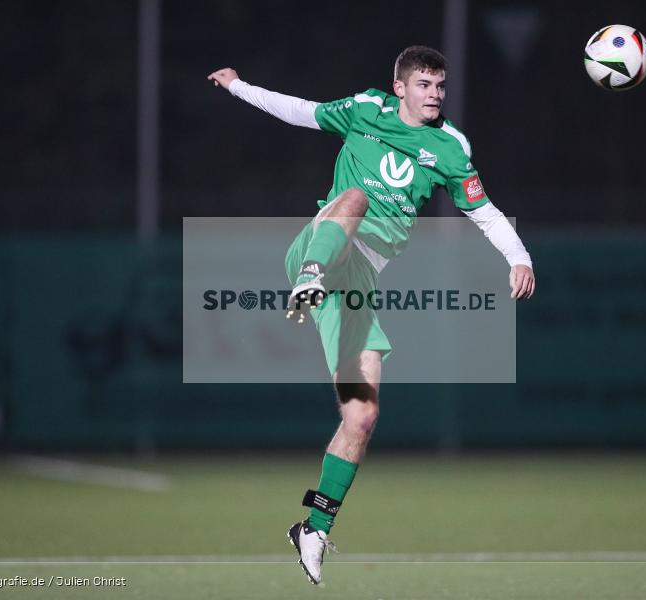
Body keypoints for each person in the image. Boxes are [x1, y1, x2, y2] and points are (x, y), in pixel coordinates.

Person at [208, 45, 535, 585]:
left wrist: (518, 257)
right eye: (425, 84)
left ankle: (312, 527)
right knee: (356, 196)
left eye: (440, 85)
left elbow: (484, 212)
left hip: (358, 285)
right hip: (322, 247)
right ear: (400, 85)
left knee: (361, 417)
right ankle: (309, 278)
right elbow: (301, 110)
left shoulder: (450, 147)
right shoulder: (367, 108)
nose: (435, 94)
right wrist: (240, 86)